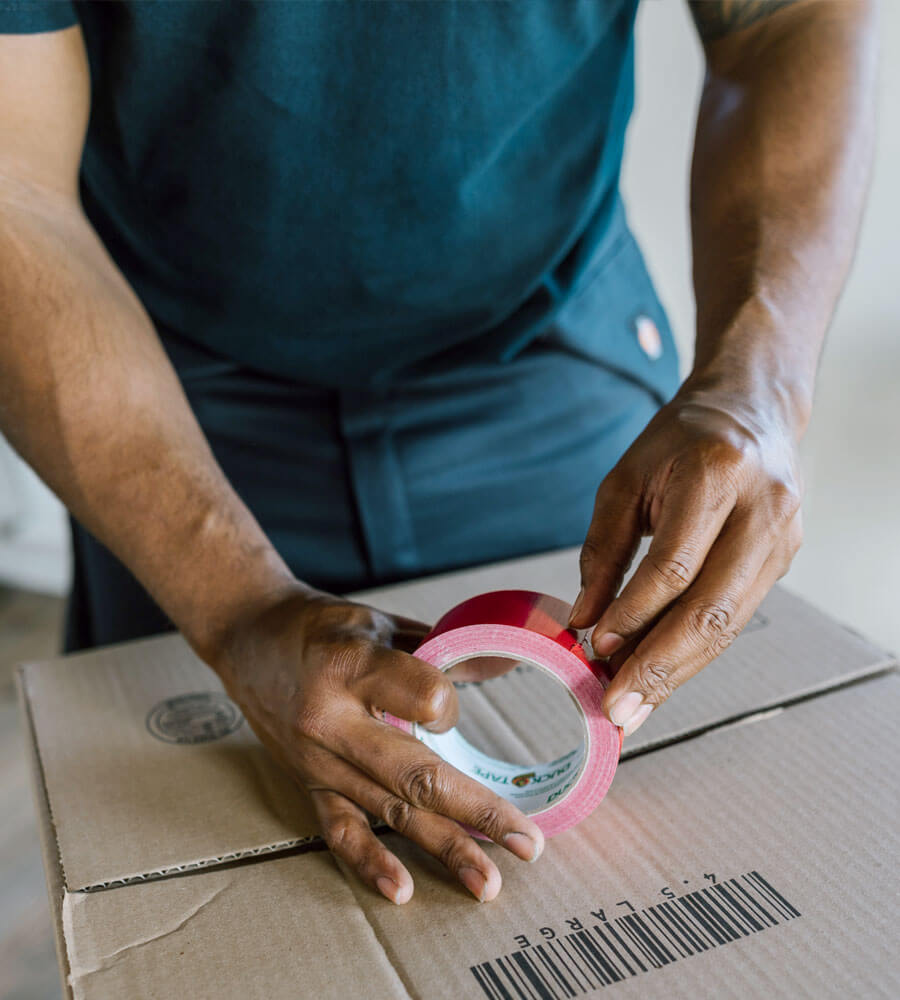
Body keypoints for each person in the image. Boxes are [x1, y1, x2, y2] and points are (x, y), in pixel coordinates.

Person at [0, 0, 875, 904]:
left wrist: (756, 390)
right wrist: (235, 613)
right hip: (157, 372)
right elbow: (9, 186)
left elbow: (784, 18)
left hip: (543, 338)